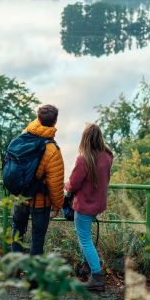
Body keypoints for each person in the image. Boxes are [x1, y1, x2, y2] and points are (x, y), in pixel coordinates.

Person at [65, 123, 113, 291]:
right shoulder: (107, 156)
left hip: (85, 205)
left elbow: (73, 184)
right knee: (84, 237)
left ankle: (97, 276)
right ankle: (86, 266)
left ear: (85, 139)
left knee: (85, 240)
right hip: (98, 203)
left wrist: (66, 186)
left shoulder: (83, 159)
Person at [11, 104, 64, 255]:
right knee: (37, 239)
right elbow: (55, 184)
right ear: (55, 122)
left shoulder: (24, 136)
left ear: (38, 119)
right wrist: (57, 205)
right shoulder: (53, 150)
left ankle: (13, 273)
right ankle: (33, 278)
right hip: (40, 202)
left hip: (20, 197)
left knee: (17, 234)